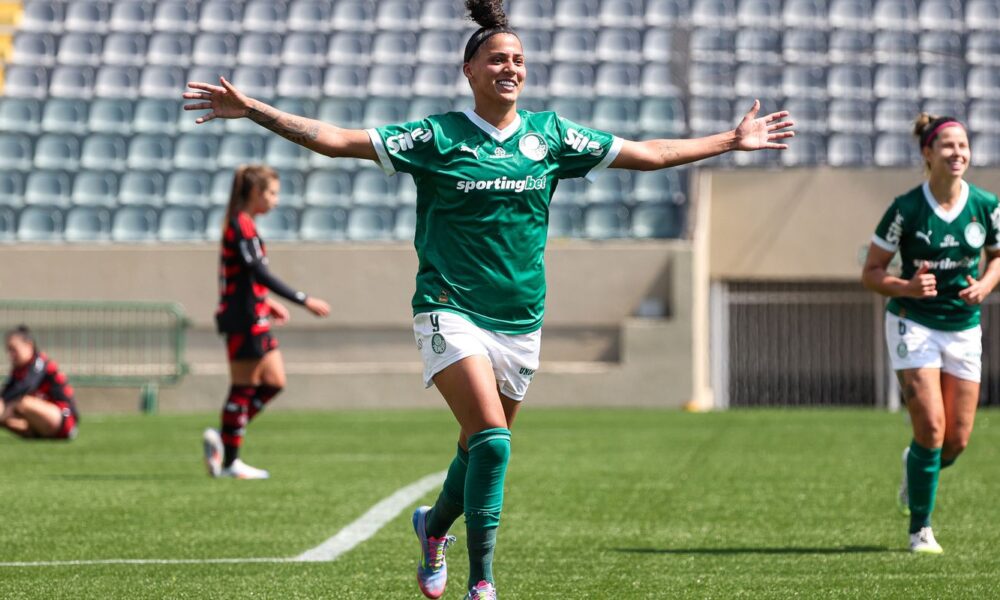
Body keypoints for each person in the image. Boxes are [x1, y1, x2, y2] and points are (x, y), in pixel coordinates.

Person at [182, 0, 793, 594]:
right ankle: (483, 582)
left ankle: (433, 528)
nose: (511, 69)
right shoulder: (435, 136)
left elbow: (650, 153)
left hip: (521, 320)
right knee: (494, 445)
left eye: (519, 60)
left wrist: (730, 140)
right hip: (448, 307)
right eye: (498, 59)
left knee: (477, 450)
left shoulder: (551, 136)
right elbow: (337, 140)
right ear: (469, 71)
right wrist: (254, 109)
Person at [862, 113, 1000, 554]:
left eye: (964, 146)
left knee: (957, 440)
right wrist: (906, 286)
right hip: (912, 322)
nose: (958, 153)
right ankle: (920, 529)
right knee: (932, 428)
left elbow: (998, 257)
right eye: (948, 146)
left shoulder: (985, 205)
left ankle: (913, 466)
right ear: (928, 154)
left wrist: (986, 283)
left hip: (962, 326)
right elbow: (871, 272)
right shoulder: (905, 209)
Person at [201, 165, 331, 480]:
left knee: (274, 382)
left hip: (254, 313)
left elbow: (246, 277)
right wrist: (303, 300)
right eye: (272, 192)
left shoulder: (246, 225)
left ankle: (224, 435)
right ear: (256, 193)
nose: (275, 200)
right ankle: (231, 461)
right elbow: (258, 273)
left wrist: (266, 302)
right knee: (243, 387)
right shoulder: (239, 226)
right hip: (242, 318)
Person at [1, 325, 79, 440]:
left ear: (29, 345)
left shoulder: (39, 363)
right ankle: (35, 434)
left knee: (22, 402)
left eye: (14, 349)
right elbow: (6, 392)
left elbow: (26, 386)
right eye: (9, 350)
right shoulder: (18, 370)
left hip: (64, 419)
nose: (11, 355)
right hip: (42, 422)